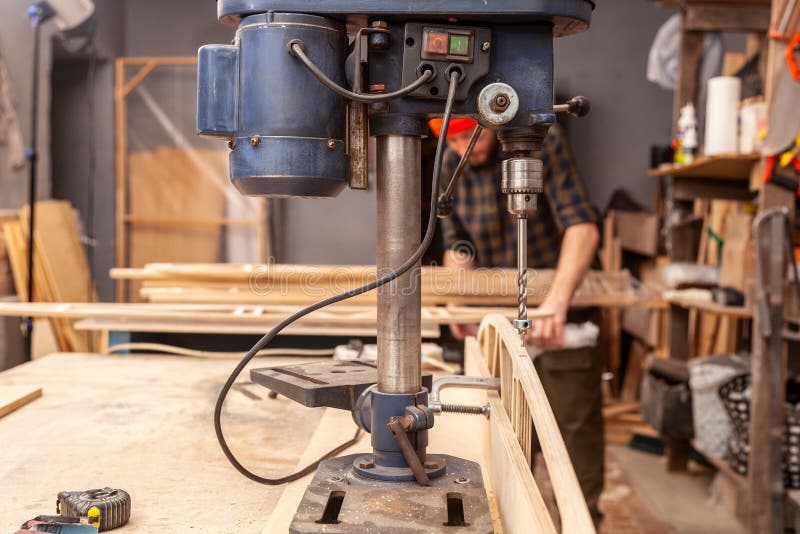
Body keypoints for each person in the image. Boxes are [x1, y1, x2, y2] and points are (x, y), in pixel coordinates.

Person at [431, 117, 604, 523]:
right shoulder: (451, 160)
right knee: (511, 451)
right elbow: (458, 244)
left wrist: (556, 304)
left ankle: (583, 523)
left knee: (573, 447)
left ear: (493, 118)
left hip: (562, 319)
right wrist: (463, 299)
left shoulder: (539, 138)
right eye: (451, 139)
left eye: (472, 136)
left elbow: (582, 227)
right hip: (500, 323)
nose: (463, 148)